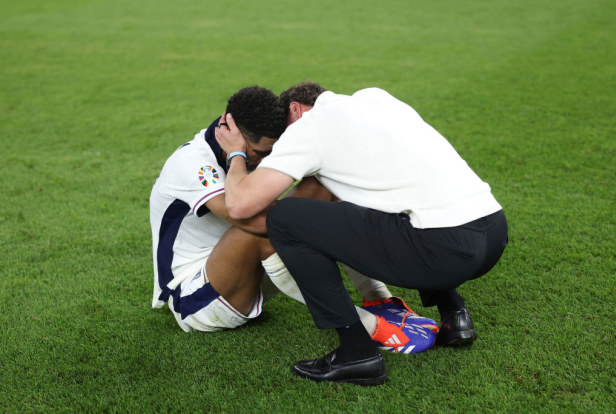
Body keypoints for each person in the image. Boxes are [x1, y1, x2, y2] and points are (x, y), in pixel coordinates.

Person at [216, 82, 509, 385]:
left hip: (443, 252)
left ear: (295, 110)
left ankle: (357, 352)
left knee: (284, 218)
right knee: (385, 198)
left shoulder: (310, 126)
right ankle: (454, 314)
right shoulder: (376, 99)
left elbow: (240, 205)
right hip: (493, 229)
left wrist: (236, 154)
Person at [149, 86, 438, 353]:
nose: (267, 163)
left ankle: (378, 298)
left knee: (327, 182)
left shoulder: (254, 141)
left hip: (249, 273)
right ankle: (370, 327)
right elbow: (250, 219)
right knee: (268, 226)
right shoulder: (192, 163)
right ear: (231, 133)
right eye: (260, 154)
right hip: (197, 298)